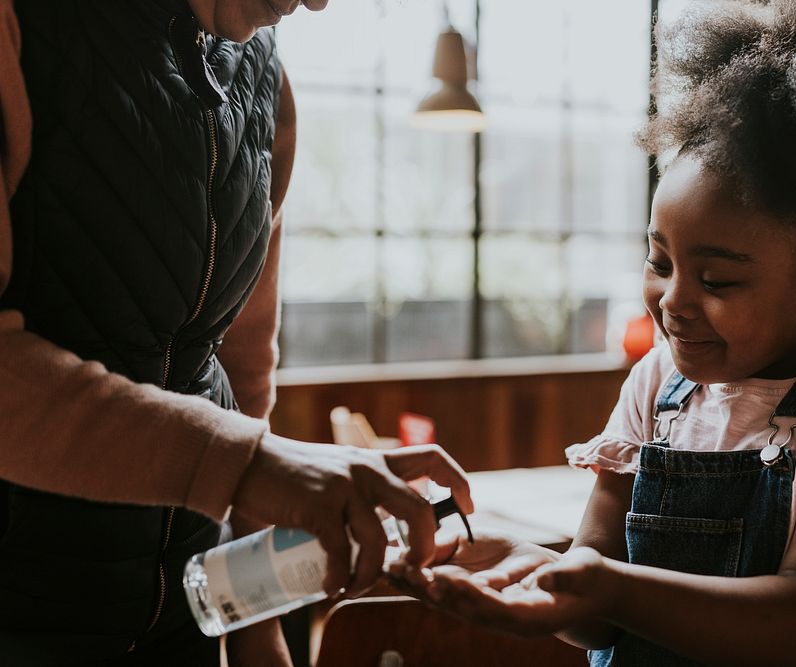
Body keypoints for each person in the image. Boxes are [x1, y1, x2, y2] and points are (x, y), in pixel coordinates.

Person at [392, 0, 796, 664]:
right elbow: (596, 604)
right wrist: (532, 570)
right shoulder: (659, 382)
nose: (673, 303)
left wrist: (606, 590)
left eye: (719, 280)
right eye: (660, 262)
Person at [0, 1, 473, 665]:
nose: (315, 2)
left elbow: (242, 367)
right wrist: (248, 466)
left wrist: (257, 611)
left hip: (181, 630)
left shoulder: (260, 75)